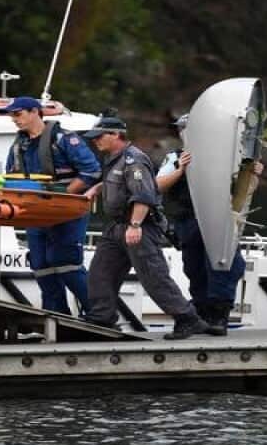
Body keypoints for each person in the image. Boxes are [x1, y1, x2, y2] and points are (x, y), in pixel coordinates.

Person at [82, 116, 209, 340]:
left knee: (153, 277)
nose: (95, 142)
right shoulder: (113, 158)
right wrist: (98, 188)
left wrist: (135, 225)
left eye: (99, 137)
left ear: (115, 135)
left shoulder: (134, 160)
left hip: (138, 226)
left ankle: (187, 318)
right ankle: (102, 319)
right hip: (115, 227)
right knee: (100, 273)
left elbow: (143, 195)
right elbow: (119, 182)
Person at [156, 114, 262, 336]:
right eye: (181, 129)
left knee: (222, 266)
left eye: (187, 128)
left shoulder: (224, 156)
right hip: (187, 221)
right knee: (193, 268)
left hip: (218, 220)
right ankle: (201, 315)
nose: (182, 132)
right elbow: (158, 185)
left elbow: (244, 189)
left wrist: (253, 173)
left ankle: (219, 317)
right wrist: (179, 169)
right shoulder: (174, 157)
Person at [0, 95, 101, 316]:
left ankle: (99, 313)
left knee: (67, 262)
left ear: (35, 111)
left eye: (18, 114)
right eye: (12, 115)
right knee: (40, 263)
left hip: (65, 211)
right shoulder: (18, 146)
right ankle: (57, 317)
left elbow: (91, 171)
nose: (14, 119)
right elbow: (11, 176)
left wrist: (63, 195)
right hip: (35, 213)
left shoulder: (64, 139)